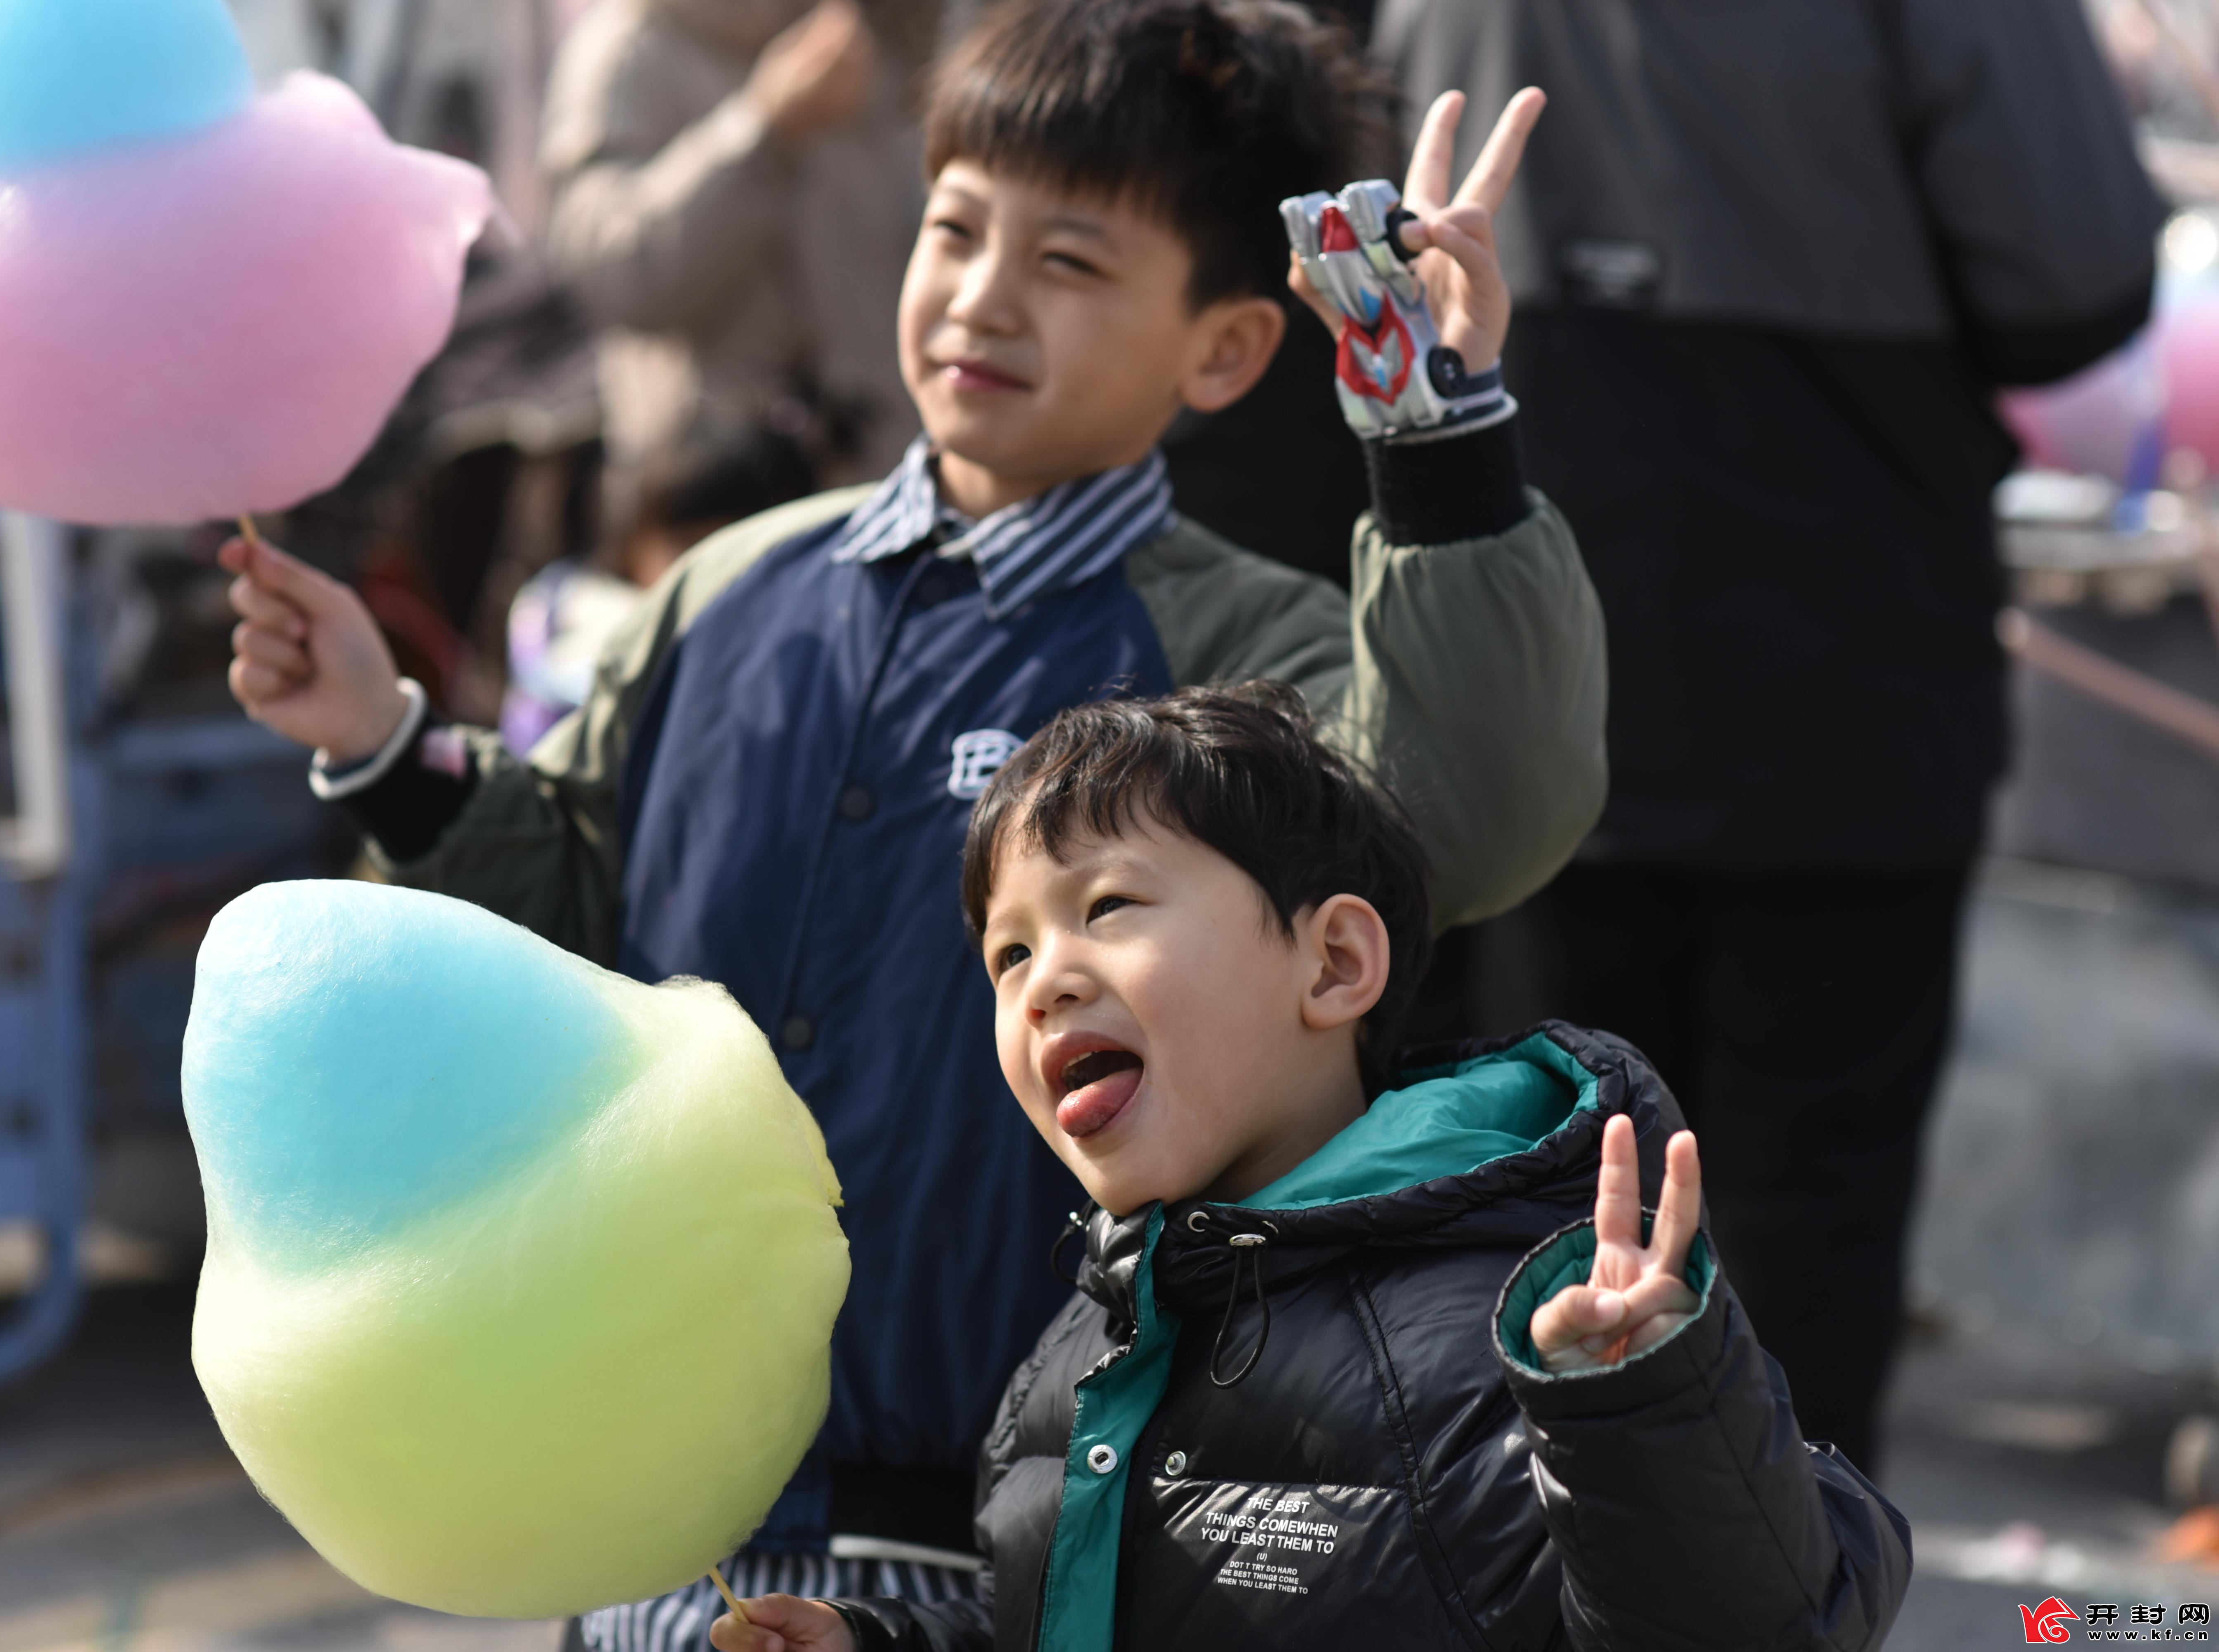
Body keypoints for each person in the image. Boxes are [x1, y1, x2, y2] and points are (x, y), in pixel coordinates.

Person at [220, 2, 1606, 1644]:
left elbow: (1476, 806)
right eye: (953, 227)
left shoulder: (1244, 653)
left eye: (1071, 263)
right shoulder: (733, 586)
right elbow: (579, 902)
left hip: (1029, 1545)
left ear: (1223, 349)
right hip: (652, 1523)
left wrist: (1429, 425)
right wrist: (382, 736)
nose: (981, 294)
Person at [1374, 0, 2168, 1471]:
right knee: (1799, 1229)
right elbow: (2076, 277)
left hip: (1526, 659)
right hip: (1832, 660)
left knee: (1543, 1211)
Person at [708, 683, 1912, 1652]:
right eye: (1007, 952)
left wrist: (1640, 1407)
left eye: (1111, 904)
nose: (1046, 979)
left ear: (1332, 963)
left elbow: (1750, 1619)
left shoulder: (1499, 1328)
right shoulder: (1091, 1346)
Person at [541, 0, 938, 489]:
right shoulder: (629, 48)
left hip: (880, 475)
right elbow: (613, 276)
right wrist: (764, 129)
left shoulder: (868, 33)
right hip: (709, 486)